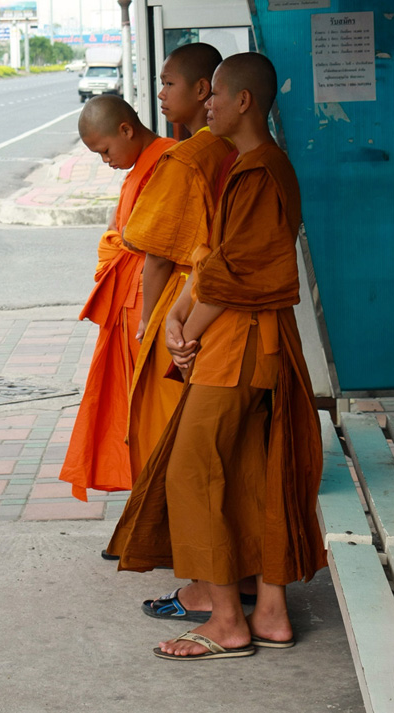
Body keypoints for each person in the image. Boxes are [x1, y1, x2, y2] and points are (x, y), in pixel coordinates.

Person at [106, 52, 327, 661]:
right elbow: (219, 256)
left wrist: (183, 324)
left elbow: (239, 272)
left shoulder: (260, 170)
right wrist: (181, 308)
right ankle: (273, 614)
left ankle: (227, 620)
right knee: (258, 468)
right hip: (248, 337)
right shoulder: (253, 166)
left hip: (240, 342)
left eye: (216, 97)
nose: (207, 105)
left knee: (191, 469)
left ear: (243, 102)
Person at [124, 42, 236, 489]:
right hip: (227, 301)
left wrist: (151, 318)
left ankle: (163, 525)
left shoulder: (186, 158)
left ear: (202, 88)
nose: (161, 94)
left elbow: (156, 255)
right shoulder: (237, 146)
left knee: (165, 418)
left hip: (184, 299)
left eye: (168, 83)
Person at [58, 95, 176, 502]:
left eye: (106, 150)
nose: (105, 161)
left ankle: (160, 517)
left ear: (126, 129)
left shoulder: (168, 162)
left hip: (152, 307)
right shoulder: (140, 168)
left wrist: (151, 317)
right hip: (130, 307)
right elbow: (124, 231)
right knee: (130, 416)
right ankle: (146, 511)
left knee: (155, 416)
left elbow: (159, 249)